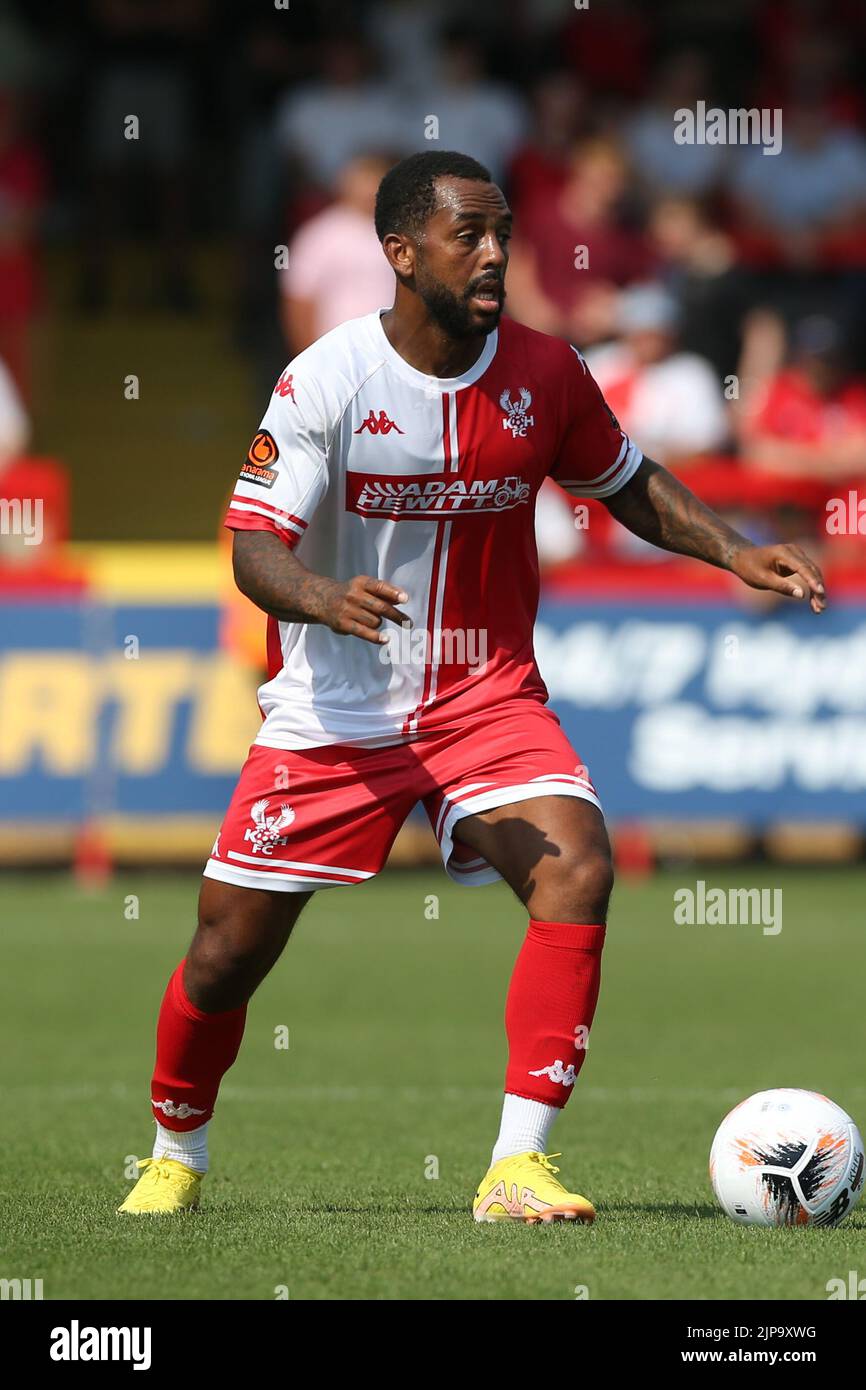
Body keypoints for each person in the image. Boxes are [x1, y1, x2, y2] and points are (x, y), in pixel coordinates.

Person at [118, 151, 826, 1223]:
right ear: (400, 254)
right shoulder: (325, 379)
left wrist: (732, 551)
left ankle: (514, 1166)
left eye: (500, 233)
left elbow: (623, 481)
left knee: (575, 864)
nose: (494, 254)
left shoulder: (545, 371)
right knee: (224, 951)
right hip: (334, 707)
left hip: (482, 697)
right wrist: (315, 594)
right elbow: (250, 545)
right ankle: (175, 1152)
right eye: (469, 236)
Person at [280, 153, 397, 353]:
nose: (369, 192)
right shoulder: (320, 234)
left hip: (394, 352)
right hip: (338, 352)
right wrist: (310, 356)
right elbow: (298, 299)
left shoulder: (403, 232)